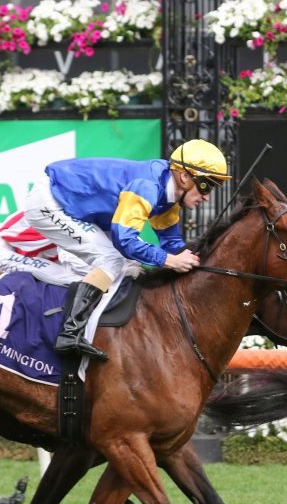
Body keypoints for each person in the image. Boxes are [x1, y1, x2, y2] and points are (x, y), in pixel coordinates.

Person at [21, 138, 231, 362]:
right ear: (184, 177)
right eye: (206, 185)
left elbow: (171, 242)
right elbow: (126, 241)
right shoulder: (147, 186)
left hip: (78, 210)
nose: (207, 196)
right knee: (111, 260)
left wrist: (199, 263)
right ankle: (69, 334)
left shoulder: (169, 194)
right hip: (51, 202)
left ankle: (97, 330)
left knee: (130, 267)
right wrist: (168, 260)